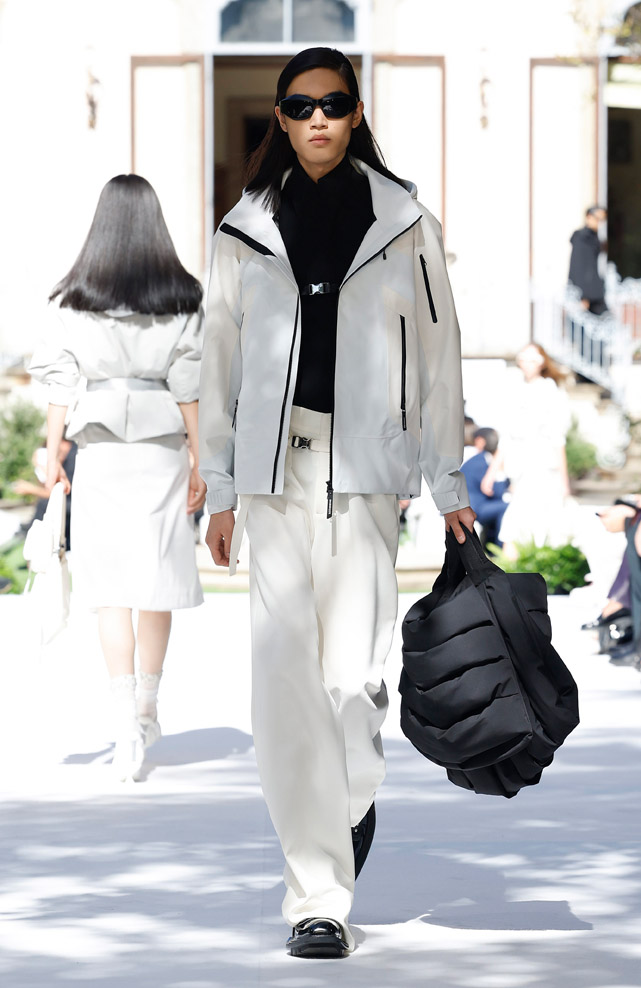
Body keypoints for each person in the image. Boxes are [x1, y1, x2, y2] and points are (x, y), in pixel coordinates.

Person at [199, 47, 474, 958]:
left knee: (351, 685)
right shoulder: (244, 230)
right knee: (284, 684)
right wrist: (221, 487)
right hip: (276, 476)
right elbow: (219, 367)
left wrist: (448, 481)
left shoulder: (405, 224)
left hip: (364, 474)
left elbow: (438, 359)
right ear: (279, 119)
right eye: (300, 105)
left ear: (356, 114)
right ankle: (315, 896)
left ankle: (349, 797)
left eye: (334, 103)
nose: (317, 118)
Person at [28, 174, 206, 782]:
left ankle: (123, 720)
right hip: (160, 448)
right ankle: (149, 706)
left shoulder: (73, 298)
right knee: (155, 579)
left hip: (101, 449)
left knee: (110, 586)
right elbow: (190, 386)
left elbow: (58, 384)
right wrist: (201, 460)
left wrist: (52, 454)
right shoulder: (182, 296)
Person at [497, 343, 572, 557]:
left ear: (541, 363)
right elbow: (507, 437)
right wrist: (494, 470)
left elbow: (558, 438)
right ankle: (510, 576)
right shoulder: (516, 389)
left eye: (532, 360)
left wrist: (564, 482)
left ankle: (539, 574)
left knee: (544, 520)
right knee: (517, 520)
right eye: (524, 360)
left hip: (544, 468)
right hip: (520, 469)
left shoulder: (549, 390)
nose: (527, 365)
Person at [461, 427, 509, 548]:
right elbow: (494, 491)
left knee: (499, 508)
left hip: (471, 507)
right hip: (474, 509)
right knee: (507, 507)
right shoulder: (482, 461)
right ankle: (500, 548)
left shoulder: (477, 459)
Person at [568, 205, 608, 316]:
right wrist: (583, 295)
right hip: (586, 295)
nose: (600, 223)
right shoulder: (582, 238)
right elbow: (578, 267)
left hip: (594, 293)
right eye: (597, 219)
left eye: (603, 220)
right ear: (588, 217)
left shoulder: (593, 238)